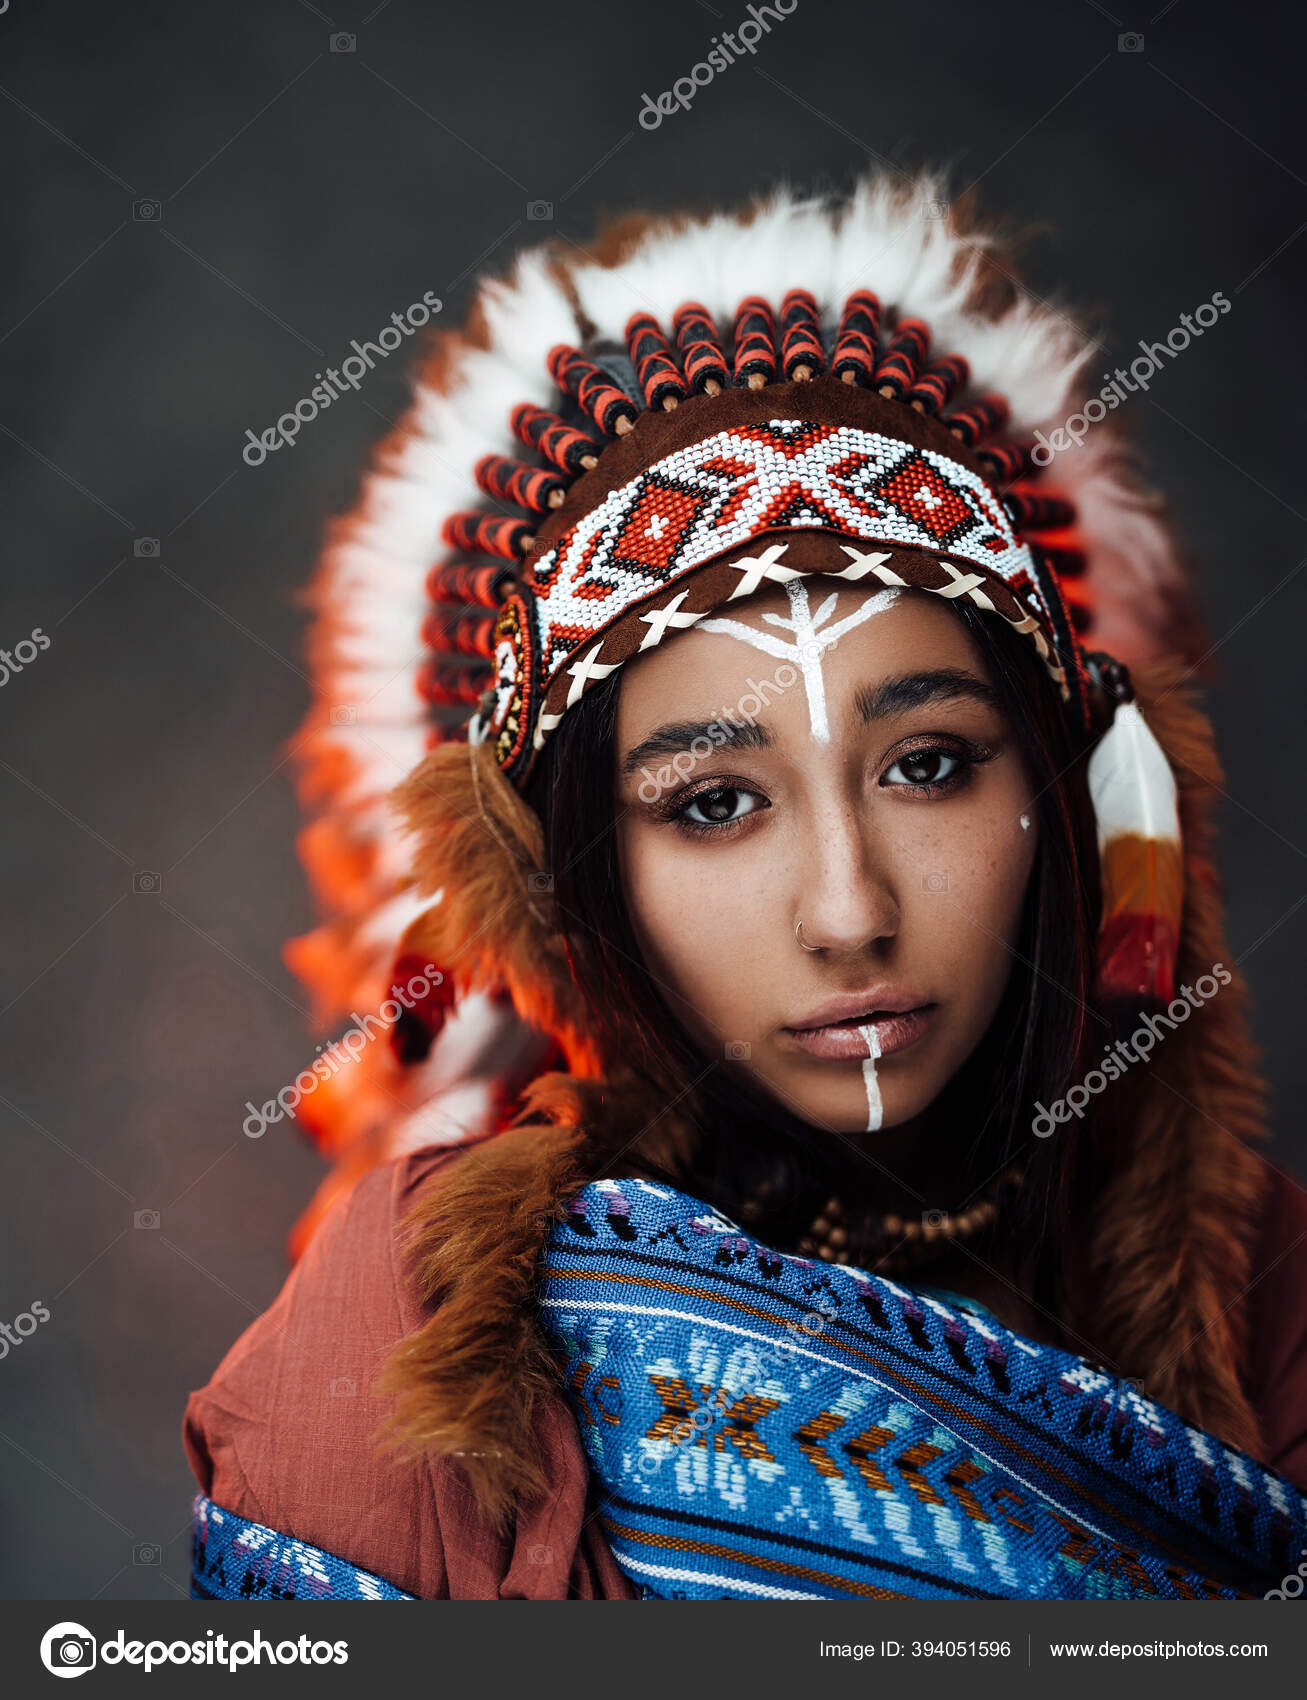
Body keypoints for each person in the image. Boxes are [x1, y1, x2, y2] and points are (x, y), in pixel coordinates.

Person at [185, 175, 1307, 1602]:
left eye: (931, 768)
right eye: (715, 805)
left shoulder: (1269, 1296)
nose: (850, 912)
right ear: (562, 884)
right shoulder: (412, 1341)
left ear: (1071, 796)